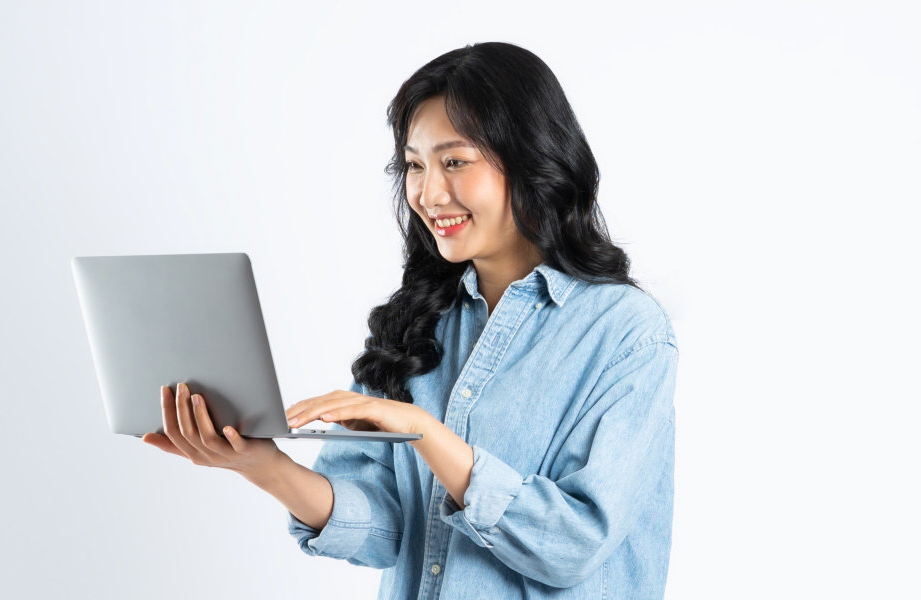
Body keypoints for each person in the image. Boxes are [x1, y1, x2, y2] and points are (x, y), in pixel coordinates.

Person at [143, 41, 678, 598]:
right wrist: (261, 464)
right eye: (414, 165)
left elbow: (574, 544)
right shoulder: (420, 322)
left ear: (533, 159)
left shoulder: (627, 333)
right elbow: (387, 530)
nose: (427, 193)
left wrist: (423, 433)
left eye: (454, 162)